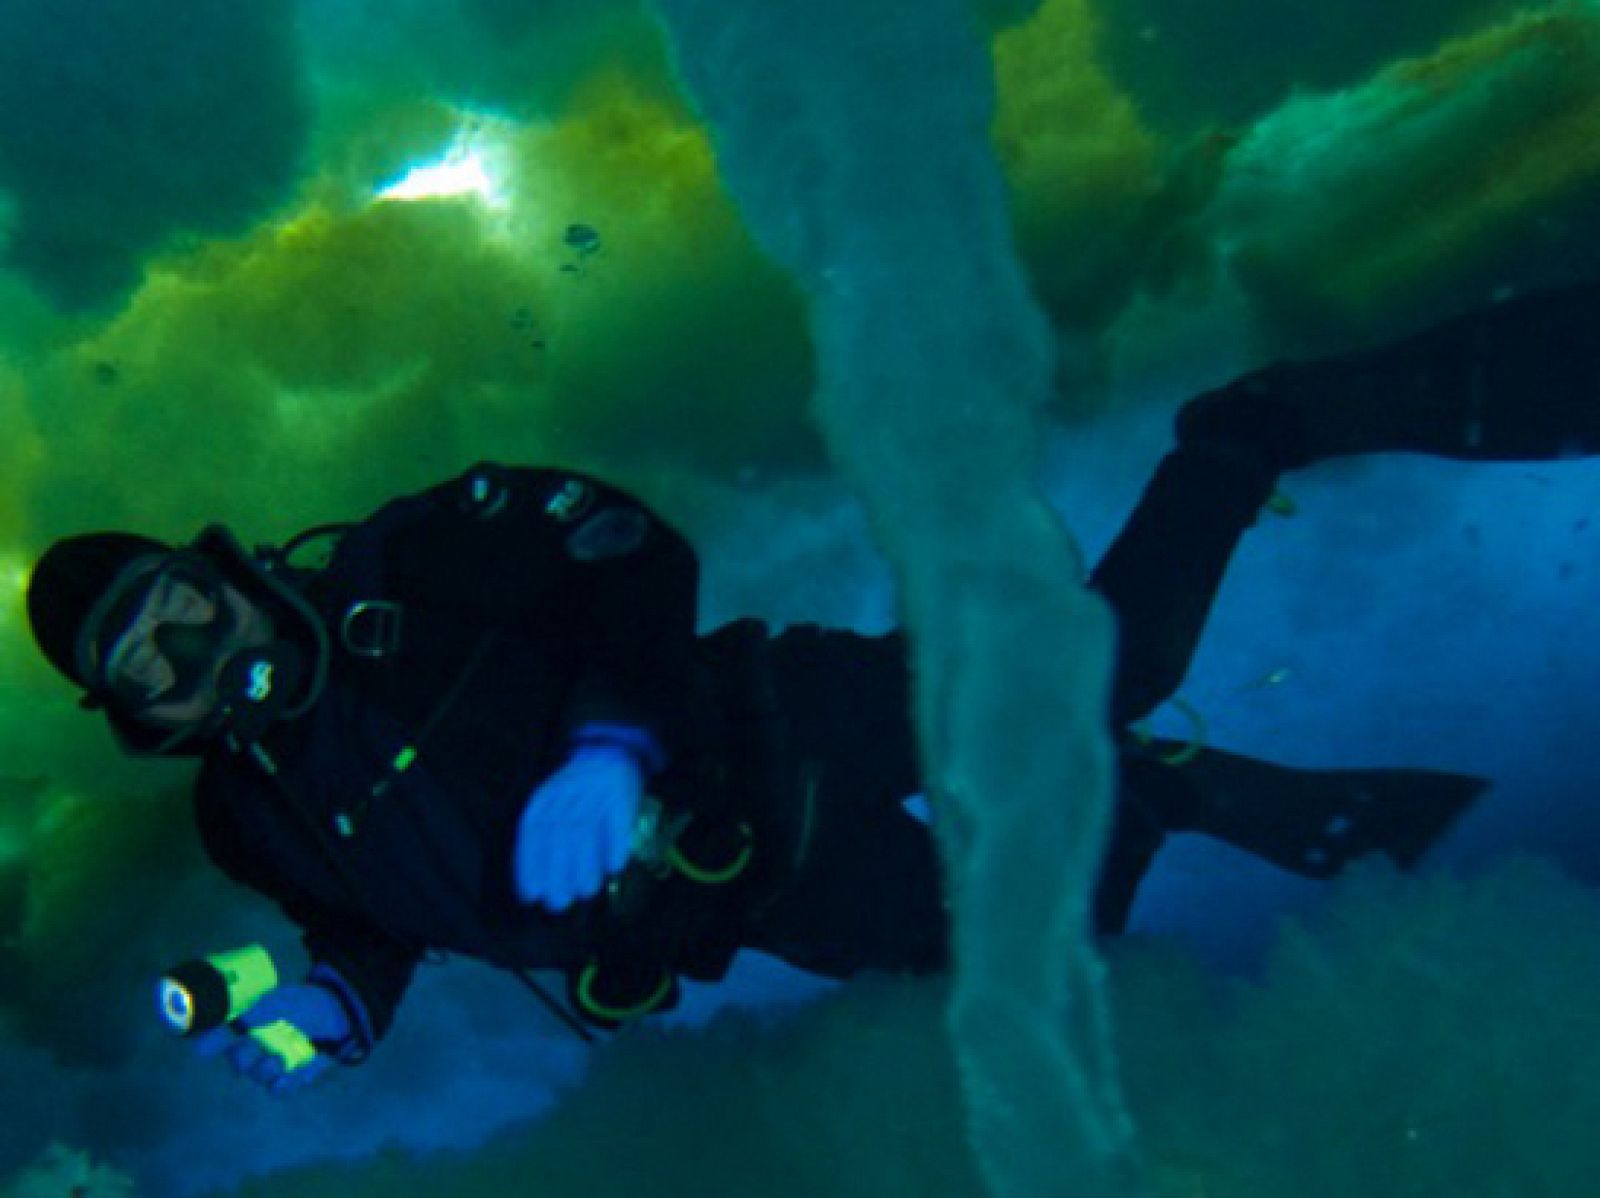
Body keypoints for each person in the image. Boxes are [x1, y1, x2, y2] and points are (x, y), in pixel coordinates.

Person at [30, 277, 1594, 1095]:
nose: (192, 650)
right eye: (146, 662)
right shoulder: (246, 819)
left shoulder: (404, 560)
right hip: (749, 896)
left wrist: (608, 743)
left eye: (178, 605)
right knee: (1043, 967)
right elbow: (366, 921)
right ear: (138, 719)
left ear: (215, 565)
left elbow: (626, 550)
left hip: (778, 726)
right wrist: (337, 1007)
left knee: (1112, 665)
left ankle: (1246, 433)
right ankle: (1150, 797)